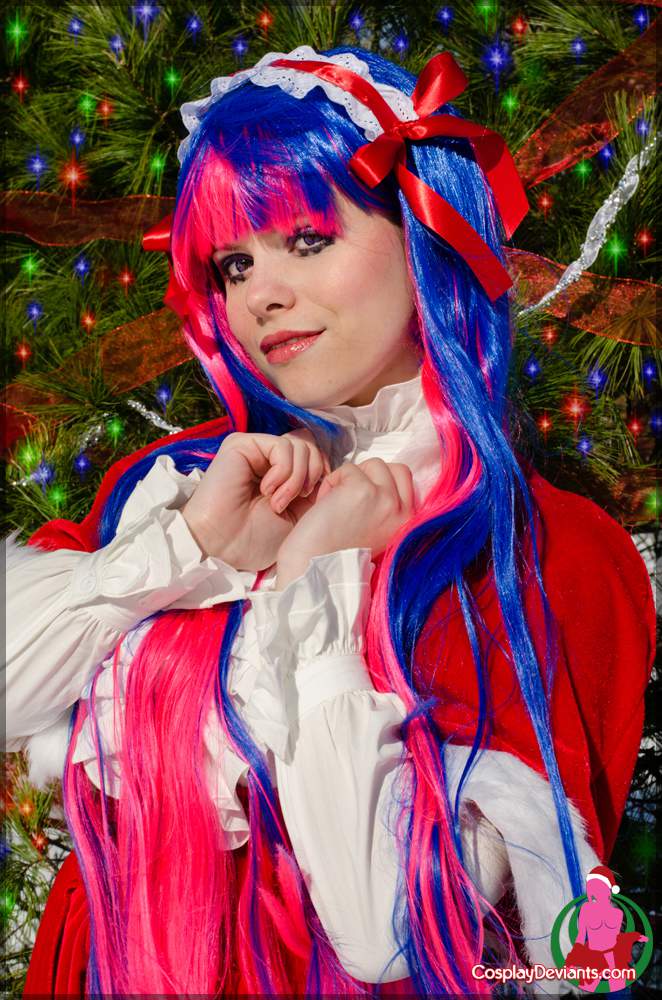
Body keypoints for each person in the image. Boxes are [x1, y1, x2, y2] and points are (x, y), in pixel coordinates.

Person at [6, 45, 654, 997]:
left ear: (423, 236)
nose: (258, 294)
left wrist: (318, 574)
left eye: (306, 240)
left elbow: (390, 933)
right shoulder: (181, 483)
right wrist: (188, 548)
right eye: (234, 262)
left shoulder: (547, 555)